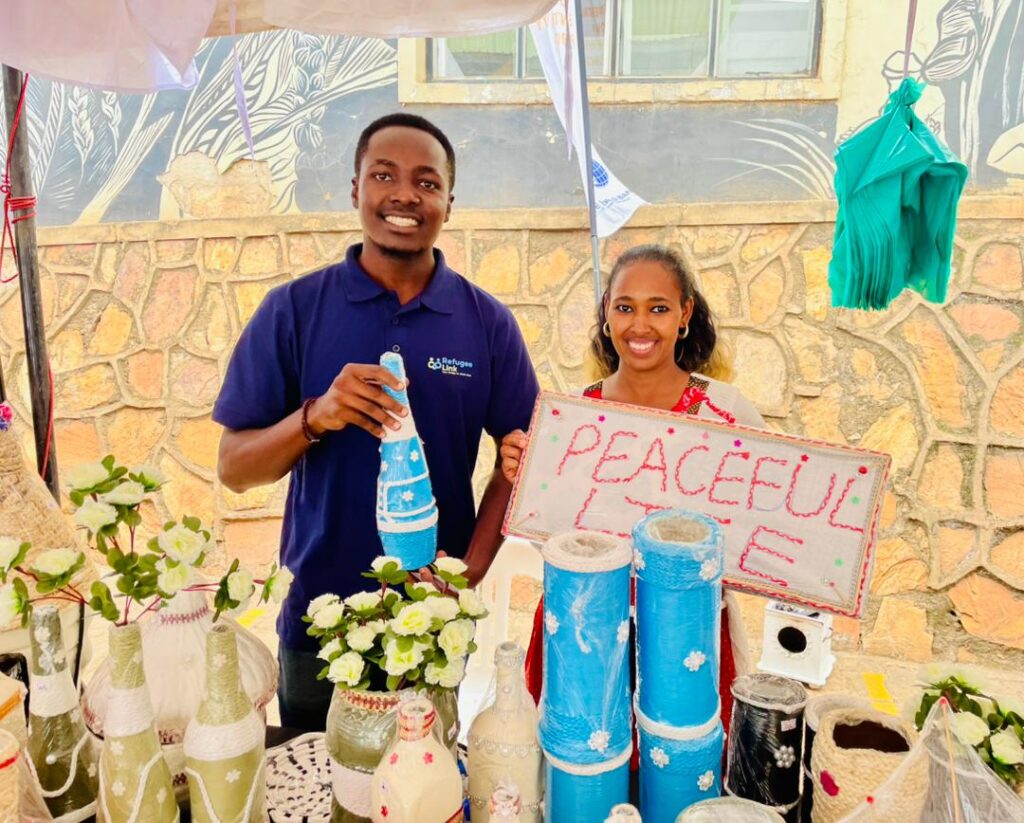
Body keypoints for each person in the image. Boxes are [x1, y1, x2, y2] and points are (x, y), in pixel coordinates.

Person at [214, 113, 540, 730]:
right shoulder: (294, 310)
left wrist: (466, 574)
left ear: (449, 202)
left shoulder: (487, 322)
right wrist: (315, 417)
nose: (405, 195)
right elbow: (234, 468)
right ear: (355, 189)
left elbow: (522, 461)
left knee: (425, 777)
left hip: (431, 629)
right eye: (384, 175)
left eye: (427, 182)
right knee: (316, 774)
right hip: (318, 621)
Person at [500, 243, 764, 738]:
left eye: (658, 308)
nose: (640, 325)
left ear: (685, 314)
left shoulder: (726, 414)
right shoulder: (571, 417)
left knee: (681, 767)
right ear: (606, 313)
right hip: (582, 632)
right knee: (582, 767)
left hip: (688, 640)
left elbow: (756, 530)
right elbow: (554, 543)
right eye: (625, 307)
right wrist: (527, 483)